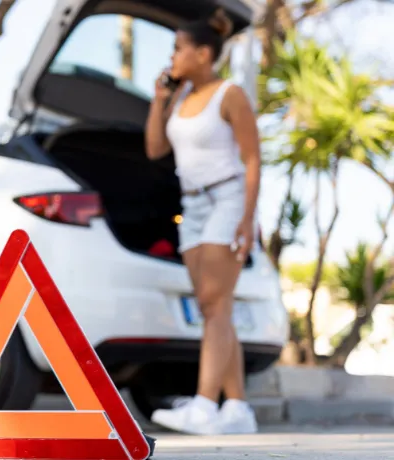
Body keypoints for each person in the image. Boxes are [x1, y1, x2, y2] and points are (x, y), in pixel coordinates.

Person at [144, 8, 261, 435]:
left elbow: (252, 159)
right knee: (217, 307)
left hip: (226, 199)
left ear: (203, 53)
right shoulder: (179, 99)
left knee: (212, 304)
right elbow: (156, 149)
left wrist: (248, 220)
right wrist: (159, 101)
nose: (172, 58)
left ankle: (205, 404)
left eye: (178, 49)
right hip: (190, 207)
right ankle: (238, 409)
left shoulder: (229, 94)